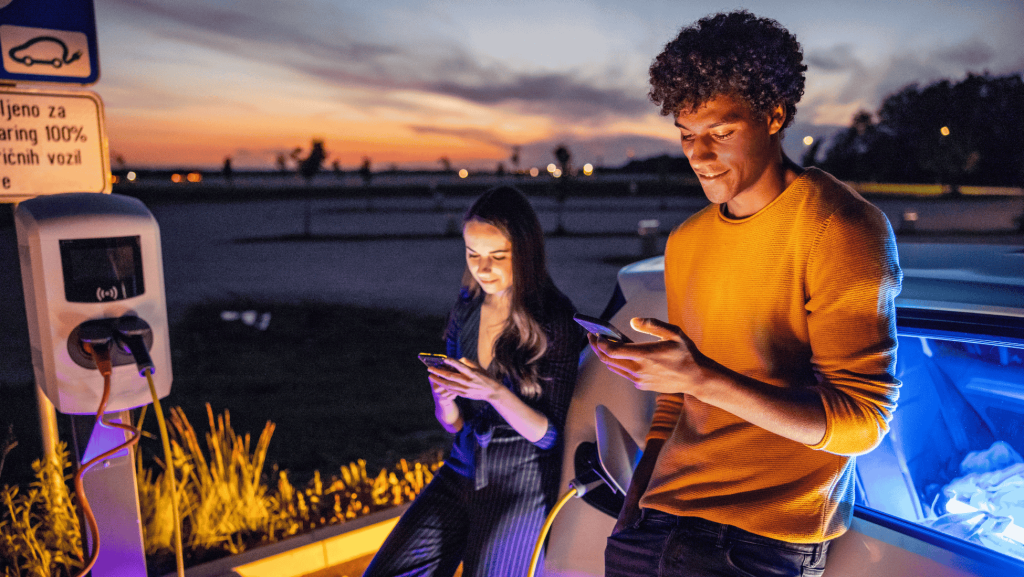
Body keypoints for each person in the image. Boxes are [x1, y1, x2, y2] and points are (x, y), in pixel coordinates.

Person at [589, 11, 903, 577]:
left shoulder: (840, 227)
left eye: (721, 132)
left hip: (754, 545)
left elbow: (863, 420)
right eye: (687, 135)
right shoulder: (686, 241)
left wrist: (699, 377)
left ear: (774, 115)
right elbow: (678, 404)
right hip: (653, 527)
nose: (699, 155)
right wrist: (634, 511)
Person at [364, 186, 583, 577]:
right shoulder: (466, 310)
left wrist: (495, 393)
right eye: (473, 254)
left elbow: (550, 436)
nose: (483, 269)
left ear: (526, 254)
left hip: (521, 481)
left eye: (498, 257)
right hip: (462, 469)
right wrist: (444, 400)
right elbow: (456, 425)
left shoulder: (556, 321)